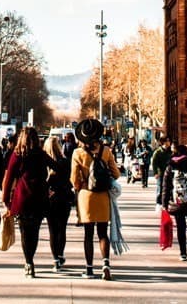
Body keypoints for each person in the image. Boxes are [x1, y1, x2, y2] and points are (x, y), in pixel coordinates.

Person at [71, 117, 121, 281]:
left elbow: (74, 180)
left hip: (86, 196)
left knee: (88, 234)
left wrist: (81, 183)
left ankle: (89, 268)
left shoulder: (78, 153)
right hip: (102, 196)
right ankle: (106, 264)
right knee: (102, 233)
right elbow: (116, 173)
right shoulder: (106, 151)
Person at [1, 126, 53, 278]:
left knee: (25, 232)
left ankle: (28, 262)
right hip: (39, 197)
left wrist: (5, 199)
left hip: (22, 198)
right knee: (35, 231)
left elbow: (9, 178)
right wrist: (50, 184)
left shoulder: (17, 155)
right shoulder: (41, 154)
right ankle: (31, 258)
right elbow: (58, 167)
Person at [44, 135, 74, 271]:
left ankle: (55, 258)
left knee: (52, 230)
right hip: (63, 197)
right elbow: (70, 180)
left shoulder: (43, 164)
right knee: (62, 228)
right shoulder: (65, 161)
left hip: (49, 199)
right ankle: (60, 254)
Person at [151, 135, 172, 206]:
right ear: (163, 142)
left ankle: (168, 202)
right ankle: (159, 203)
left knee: (170, 188)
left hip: (170, 173)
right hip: (161, 173)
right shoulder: (158, 152)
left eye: (169, 141)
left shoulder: (171, 151)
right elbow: (154, 163)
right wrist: (155, 173)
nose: (169, 142)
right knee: (160, 188)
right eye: (167, 141)